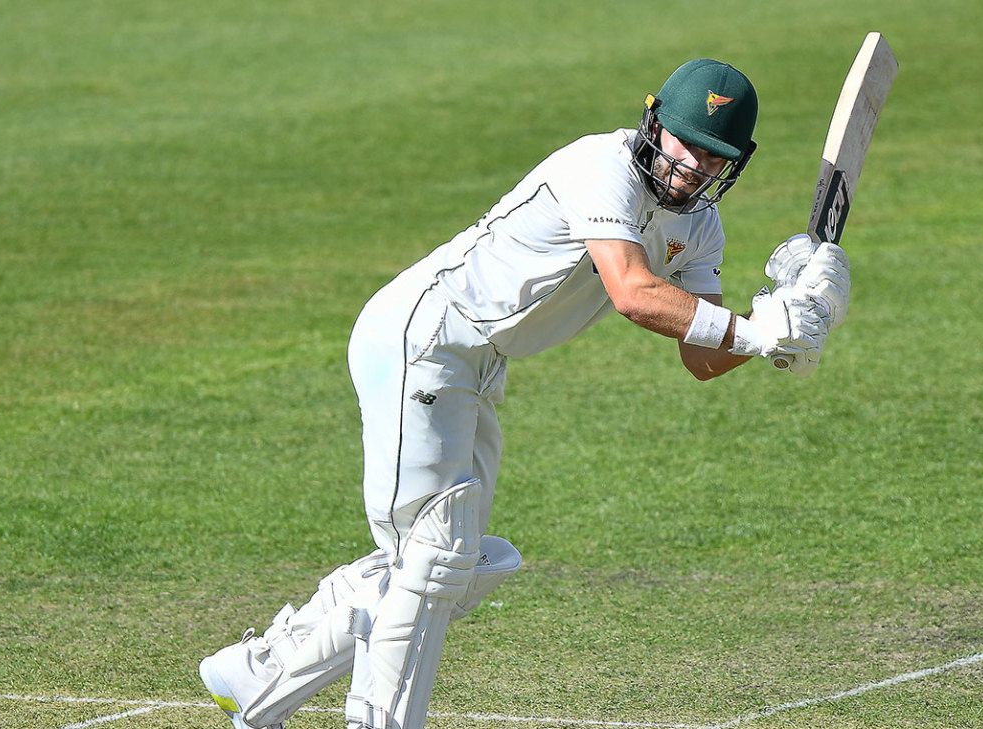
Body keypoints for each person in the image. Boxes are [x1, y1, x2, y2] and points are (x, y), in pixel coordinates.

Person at [199, 58, 851, 729]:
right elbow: (633, 292)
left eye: (714, 156)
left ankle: (258, 674)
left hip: (477, 364)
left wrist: (790, 317)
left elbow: (703, 357)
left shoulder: (701, 228)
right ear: (654, 122)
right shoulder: (601, 166)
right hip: (424, 336)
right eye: (686, 143)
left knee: (457, 567)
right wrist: (758, 329)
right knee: (436, 556)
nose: (694, 165)